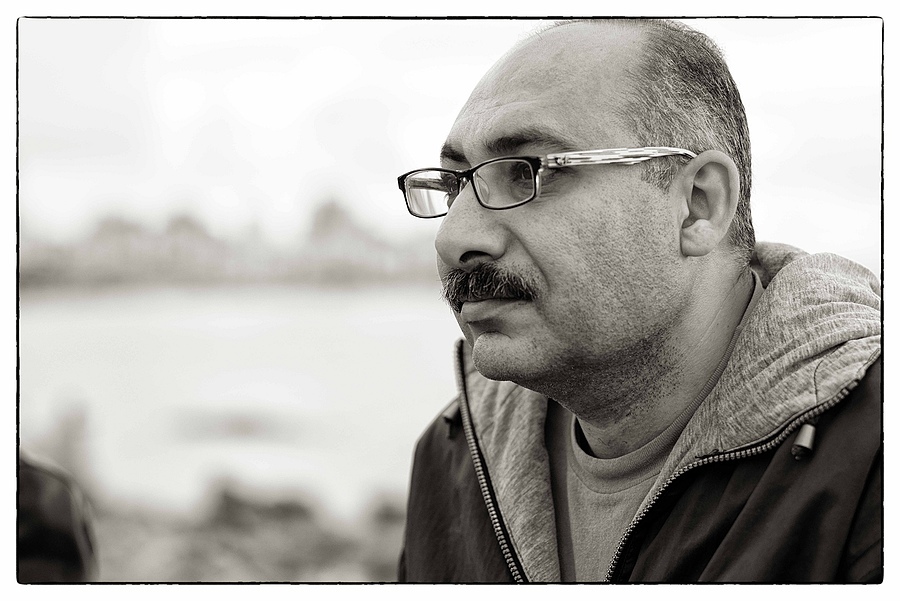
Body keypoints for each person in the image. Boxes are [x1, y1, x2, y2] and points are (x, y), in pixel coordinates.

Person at [395, 18, 881, 583]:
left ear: (697, 206)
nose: (453, 238)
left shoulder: (871, 458)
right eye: (454, 185)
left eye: (526, 173)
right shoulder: (454, 454)